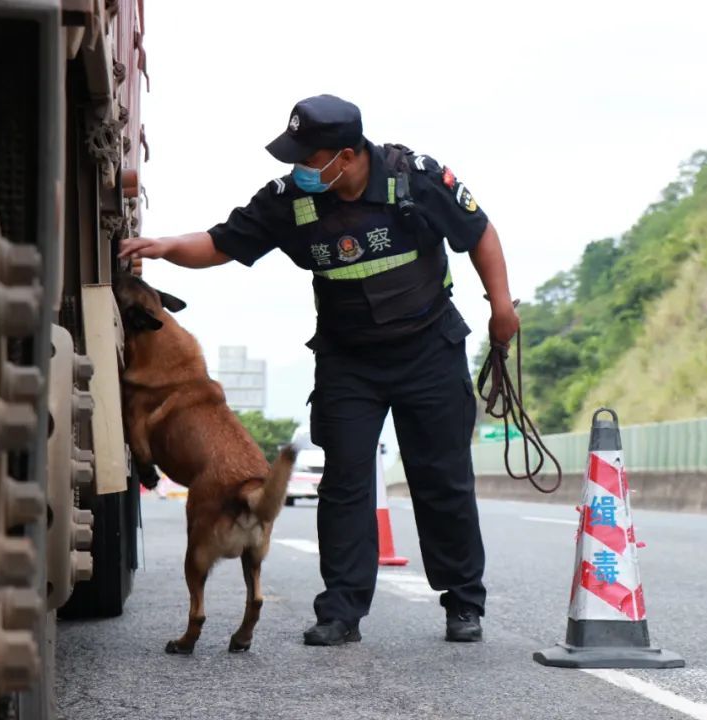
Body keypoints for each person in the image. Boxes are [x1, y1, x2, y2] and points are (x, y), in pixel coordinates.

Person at [119, 94, 519, 645]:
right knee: (345, 481)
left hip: (428, 349)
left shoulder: (416, 178)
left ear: (348, 156)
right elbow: (221, 243)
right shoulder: (291, 200)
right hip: (349, 358)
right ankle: (341, 612)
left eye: (310, 158)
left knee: (441, 478)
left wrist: (501, 307)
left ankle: (462, 603)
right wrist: (164, 247)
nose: (299, 168)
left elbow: (480, 234)